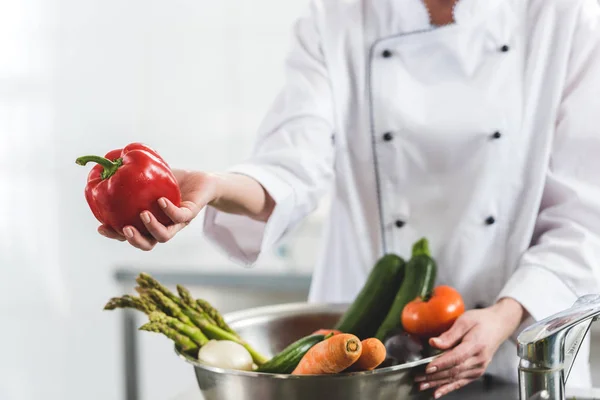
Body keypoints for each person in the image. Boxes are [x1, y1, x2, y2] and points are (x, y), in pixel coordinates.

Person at [99, 0, 600, 397]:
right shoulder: (338, 15)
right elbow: (293, 164)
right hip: (355, 365)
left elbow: (583, 212)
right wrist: (217, 188)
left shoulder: (564, 18)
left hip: (510, 355)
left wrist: (504, 316)